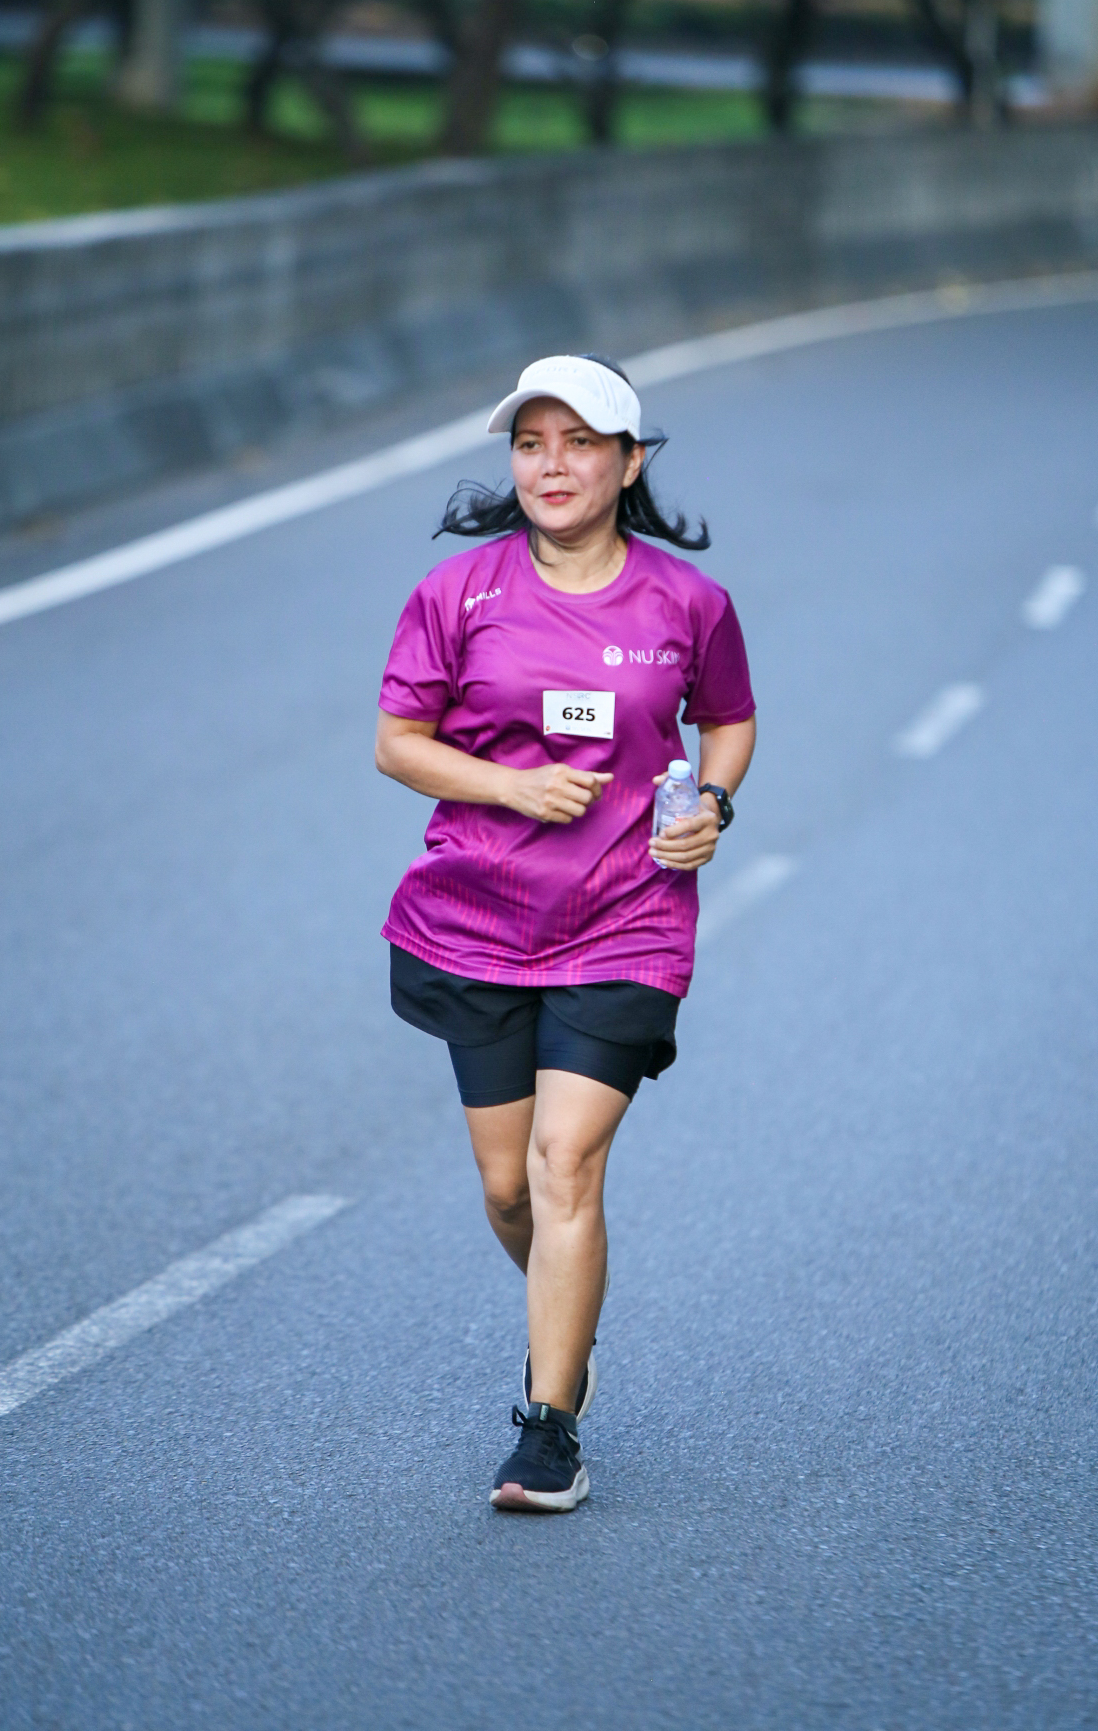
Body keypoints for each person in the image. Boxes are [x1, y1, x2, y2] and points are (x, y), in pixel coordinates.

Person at [375, 352, 756, 1512]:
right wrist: (512, 788)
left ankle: (549, 1429)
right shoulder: (459, 594)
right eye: (530, 444)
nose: (550, 466)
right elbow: (397, 742)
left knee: (563, 1163)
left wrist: (711, 805)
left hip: (625, 920)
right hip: (474, 921)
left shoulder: (686, 604)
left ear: (628, 464)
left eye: (579, 443)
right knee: (509, 1189)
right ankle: (565, 1325)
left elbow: (726, 720)